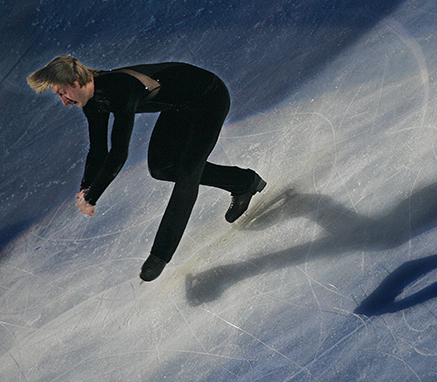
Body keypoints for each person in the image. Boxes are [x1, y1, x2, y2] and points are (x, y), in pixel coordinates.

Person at [27, 55, 266, 281]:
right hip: (179, 106)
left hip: (208, 97)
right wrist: (87, 188)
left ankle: (160, 254)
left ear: (76, 81)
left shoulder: (120, 88)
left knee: (187, 171)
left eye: (62, 93)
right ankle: (243, 182)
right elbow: (98, 151)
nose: (64, 101)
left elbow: (119, 152)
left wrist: (94, 196)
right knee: (162, 167)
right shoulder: (92, 102)